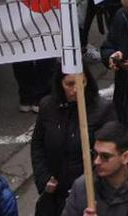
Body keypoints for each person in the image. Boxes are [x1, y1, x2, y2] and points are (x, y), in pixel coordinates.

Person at [31, 68, 116, 216]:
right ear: (60, 83)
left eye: (80, 82)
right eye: (69, 84)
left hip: (88, 194)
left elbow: (109, 153)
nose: (76, 89)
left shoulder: (103, 110)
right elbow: (38, 145)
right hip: (55, 193)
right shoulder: (47, 106)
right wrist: (43, 179)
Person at [60, 121, 128, 216]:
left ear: (126, 157)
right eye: (95, 154)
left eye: (105, 157)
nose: (97, 161)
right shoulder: (82, 186)